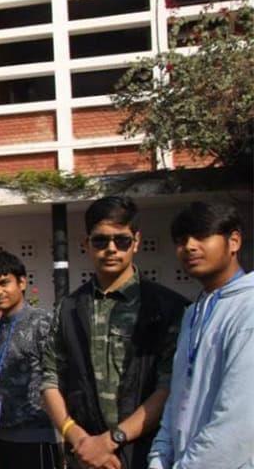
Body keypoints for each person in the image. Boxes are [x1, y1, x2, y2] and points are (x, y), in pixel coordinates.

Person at [41, 196, 187, 469]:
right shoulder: (69, 309)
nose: (111, 249)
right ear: (86, 244)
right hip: (84, 456)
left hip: (146, 455)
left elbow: (170, 386)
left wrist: (110, 441)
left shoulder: (167, 308)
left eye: (121, 240)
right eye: (100, 241)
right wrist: (78, 438)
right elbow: (50, 378)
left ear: (136, 241)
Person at [148, 203, 252, 469]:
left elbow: (239, 422)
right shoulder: (192, 313)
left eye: (201, 235)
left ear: (234, 241)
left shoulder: (248, 307)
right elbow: (176, 401)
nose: (189, 247)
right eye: (181, 240)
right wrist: (158, 459)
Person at [0, 252, 59, 469]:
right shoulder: (2, 324)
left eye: (4, 283)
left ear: (22, 282)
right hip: (4, 433)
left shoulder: (42, 323)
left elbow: (58, 378)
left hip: (37, 435)